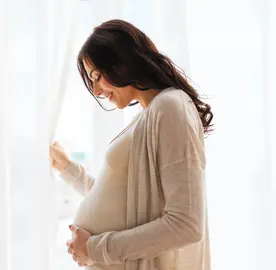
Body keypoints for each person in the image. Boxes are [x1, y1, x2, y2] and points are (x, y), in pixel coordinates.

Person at [49, 19, 213, 270]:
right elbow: (126, 201)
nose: (96, 90)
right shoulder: (151, 114)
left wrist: (94, 249)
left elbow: (186, 224)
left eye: (97, 76)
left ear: (121, 61)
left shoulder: (170, 107)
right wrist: (68, 169)